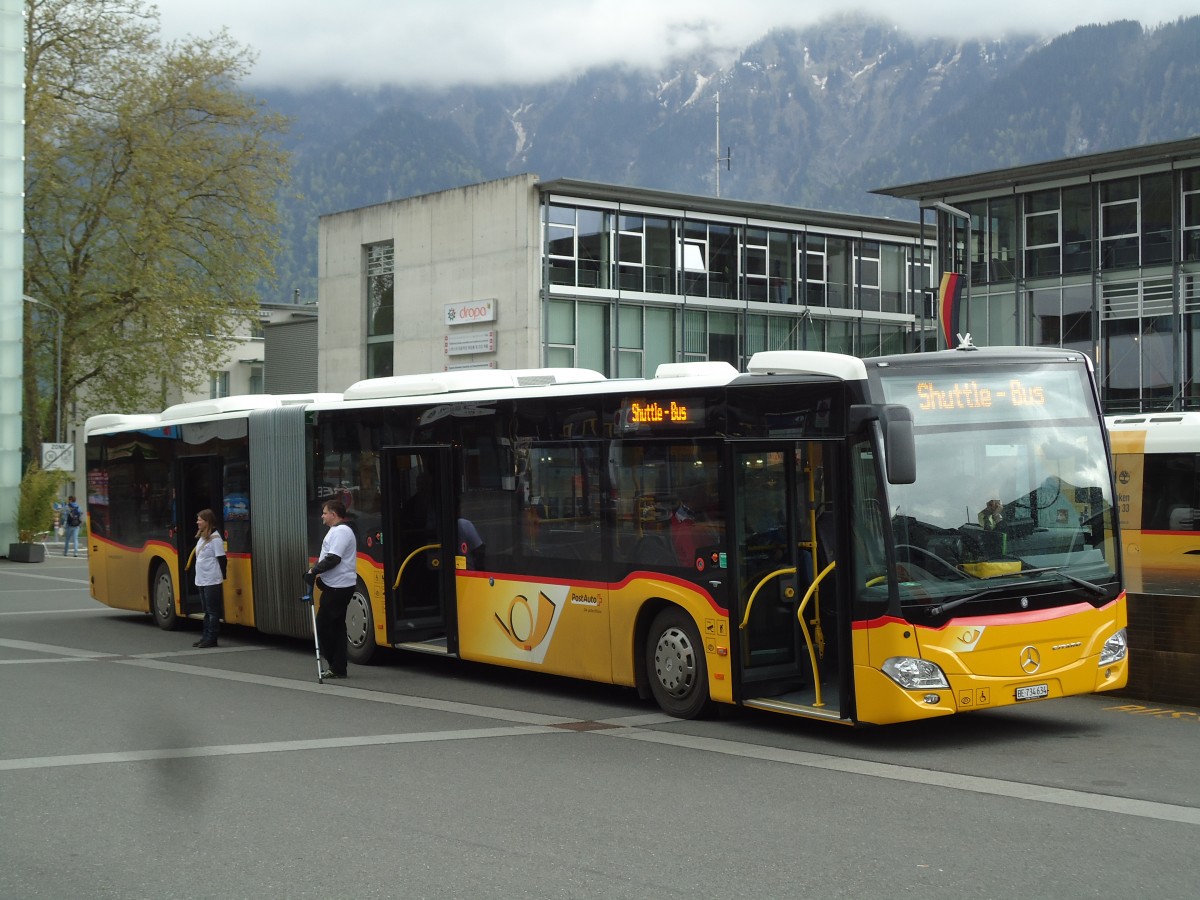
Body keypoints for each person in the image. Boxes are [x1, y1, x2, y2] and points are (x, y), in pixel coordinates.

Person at [306, 499, 357, 680]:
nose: (322, 515)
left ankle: (335, 665)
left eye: (325, 512)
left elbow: (334, 559)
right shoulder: (337, 531)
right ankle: (338, 666)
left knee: (322, 626)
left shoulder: (341, 532)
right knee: (336, 627)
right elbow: (327, 557)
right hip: (336, 585)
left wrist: (314, 571)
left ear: (333, 515)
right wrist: (318, 573)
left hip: (338, 587)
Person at [192, 509, 227, 648]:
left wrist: (222, 576)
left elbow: (222, 559)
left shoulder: (216, 539)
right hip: (201, 579)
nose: (197, 522)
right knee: (206, 610)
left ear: (207, 522)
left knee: (212, 611)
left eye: (200, 520)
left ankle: (212, 638)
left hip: (212, 579)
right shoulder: (202, 537)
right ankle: (205, 636)